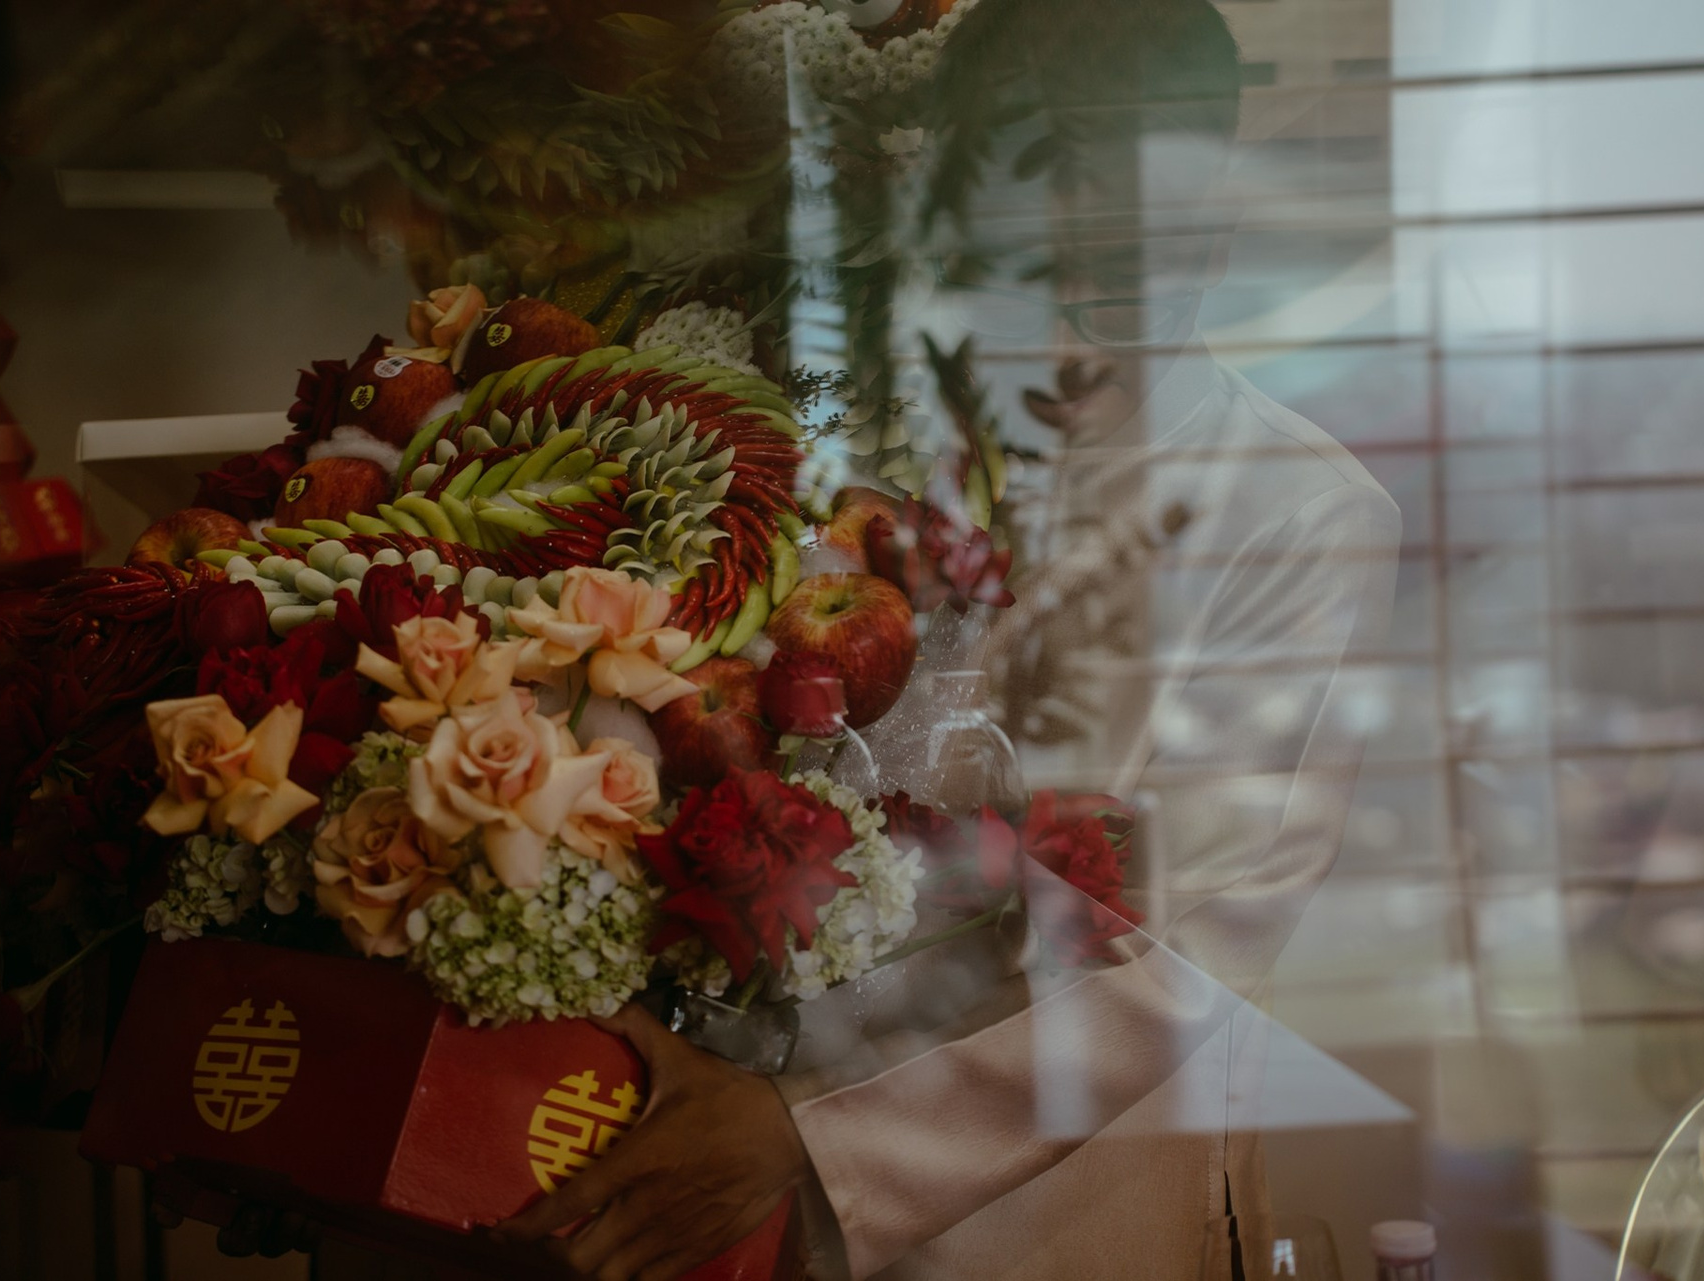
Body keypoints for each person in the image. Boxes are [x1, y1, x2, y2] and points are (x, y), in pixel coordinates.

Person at [497, 1, 1403, 1279]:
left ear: (1212, 228)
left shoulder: (1299, 513)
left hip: (1069, 1222)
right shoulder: (838, 451)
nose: (1068, 323)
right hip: (732, 1180)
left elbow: (1183, 962)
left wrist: (808, 1137)